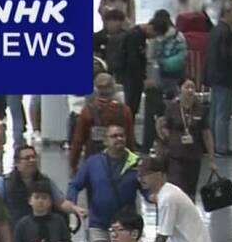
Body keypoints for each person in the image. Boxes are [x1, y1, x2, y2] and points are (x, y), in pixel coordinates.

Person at [68, 125, 142, 242]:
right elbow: (75, 185)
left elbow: (146, 188)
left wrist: (155, 197)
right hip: (99, 224)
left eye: (122, 135)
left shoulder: (136, 163)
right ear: (105, 141)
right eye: (114, 136)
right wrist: (73, 206)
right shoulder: (93, 163)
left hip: (126, 225)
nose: (119, 139)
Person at [158, 78, 215, 200]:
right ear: (180, 89)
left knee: (190, 192)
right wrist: (170, 140)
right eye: (187, 87)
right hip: (175, 157)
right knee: (177, 190)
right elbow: (162, 127)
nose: (190, 90)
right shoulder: (172, 108)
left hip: (194, 157)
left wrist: (211, 158)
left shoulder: (201, 109)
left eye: (192, 87)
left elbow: (206, 134)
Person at [68, 72, 136, 175]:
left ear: (96, 90)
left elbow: (78, 141)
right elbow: (130, 139)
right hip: (119, 162)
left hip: (93, 164)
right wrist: (132, 163)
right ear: (114, 89)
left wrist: (73, 165)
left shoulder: (87, 112)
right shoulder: (124, 111)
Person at [141, 11, 188, 151]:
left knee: (168, 114)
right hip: (156, 82)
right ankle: (149, 145)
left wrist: (161, 63)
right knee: (151, 116)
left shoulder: (177, 38)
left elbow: (180, 59)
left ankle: (167, 143)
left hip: (170, 81)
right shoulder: (155, 37)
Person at [206, 3, 232, 157]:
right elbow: (227, 56)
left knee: (215, 112)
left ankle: (213, 145)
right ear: (227, 13)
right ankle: (221, 147)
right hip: (224, 77)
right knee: (223, 114)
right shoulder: (226, 33)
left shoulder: (215, 30)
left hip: (214, 76)